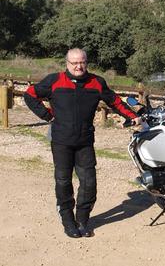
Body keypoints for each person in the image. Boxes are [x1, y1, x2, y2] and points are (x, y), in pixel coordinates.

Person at [24, 48, 141, 238]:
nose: (78, 66)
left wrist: (133, 116)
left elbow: (115, 101)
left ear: (86, 62)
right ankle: (68, 220)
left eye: (82, 62)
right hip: (61, 141)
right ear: (67, 63)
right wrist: (47, 116)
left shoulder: (96, 82)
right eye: (74, 63)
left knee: (89, 183)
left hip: (85, 141)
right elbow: (29, 94)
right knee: (63, 182)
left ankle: (82, 220)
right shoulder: (54, 80)